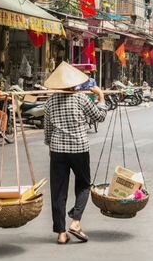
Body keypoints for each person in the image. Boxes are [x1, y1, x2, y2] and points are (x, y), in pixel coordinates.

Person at [43, 62, 107, 245]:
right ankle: (76, 221)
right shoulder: (81, 99)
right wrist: (101, 96)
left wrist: (50, 146)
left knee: (58, 191)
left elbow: (47, 131)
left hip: (57, 150)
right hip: (79, 148)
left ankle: (61, 233)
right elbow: (100, 117)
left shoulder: (50, 102)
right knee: (84, 185)